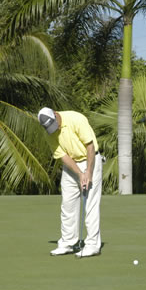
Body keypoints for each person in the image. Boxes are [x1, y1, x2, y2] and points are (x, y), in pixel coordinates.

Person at [38, 107, 103, 257]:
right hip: (71, 165)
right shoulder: (49, 132)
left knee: (90, 203)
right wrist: (79, 173)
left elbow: (90, 146)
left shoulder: (76, 119)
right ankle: (68, 242)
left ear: (55, 114)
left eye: (55, 124)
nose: (56, 129)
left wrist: (88, 172)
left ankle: (92, 244)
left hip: (90, 159)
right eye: (50, 128)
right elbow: (63, 156)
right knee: (67, 204)